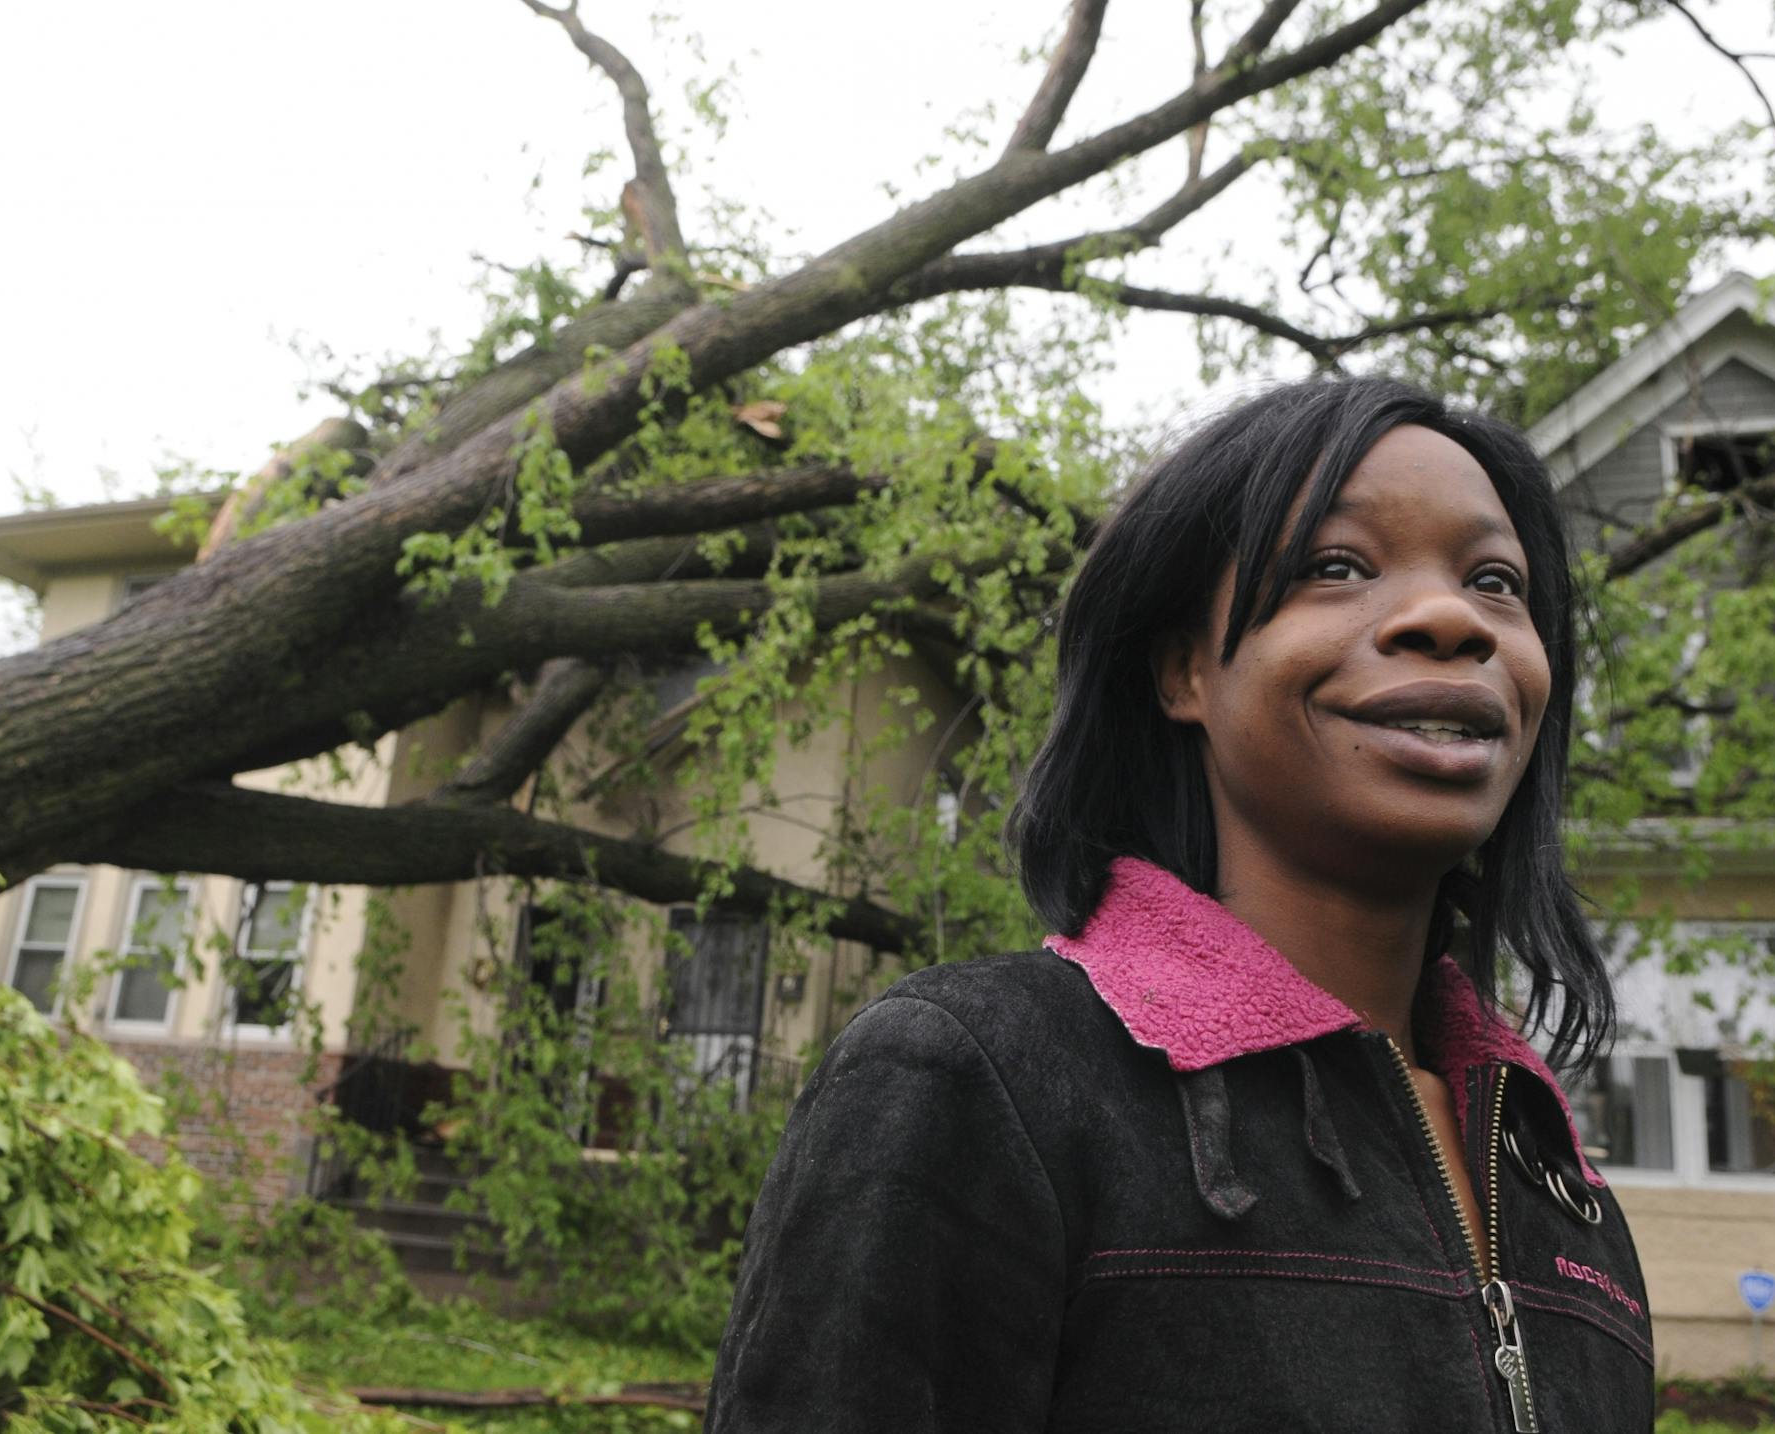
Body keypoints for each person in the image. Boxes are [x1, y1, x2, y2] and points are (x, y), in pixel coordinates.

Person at [704, 377, 1654, 1432]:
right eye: (1335, 566)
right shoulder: (979, 1079)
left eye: (1495, 581)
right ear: (1179, 671)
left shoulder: (1563, 1192)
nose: (1449, 618)